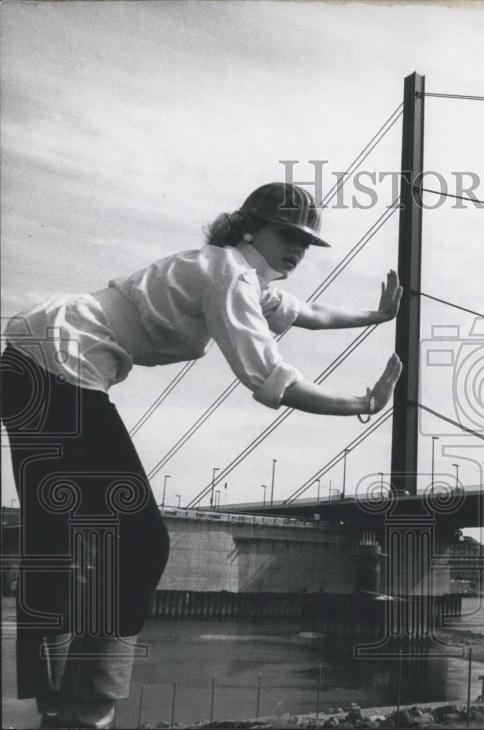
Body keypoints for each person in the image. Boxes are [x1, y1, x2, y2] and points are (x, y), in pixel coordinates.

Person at [0, 182, 403, 728]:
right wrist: (362, 402)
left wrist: (374, 317)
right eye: (289, 235)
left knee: (63, 541)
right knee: (139, 541)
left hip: (29, 359)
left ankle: (59, 707)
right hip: (61, 364)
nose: (299, 250)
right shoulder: (232, 275)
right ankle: (87, 708)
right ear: (251, 226)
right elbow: (271, 379)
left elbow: (308, 314)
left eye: (307, 243)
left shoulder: (233, 271)